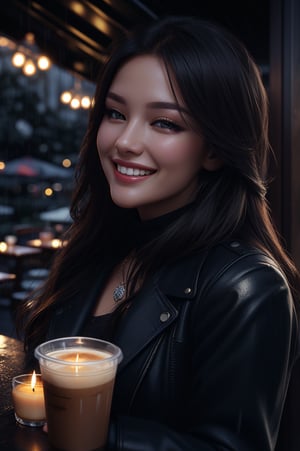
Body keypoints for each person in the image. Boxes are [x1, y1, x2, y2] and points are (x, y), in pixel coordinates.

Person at [17, 16, 299, 451]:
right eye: (115, 113)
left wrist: (97, 436)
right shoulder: (99, 247)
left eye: (165, 123)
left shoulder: (246, 286)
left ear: (214, 149)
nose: (125, 142)